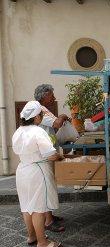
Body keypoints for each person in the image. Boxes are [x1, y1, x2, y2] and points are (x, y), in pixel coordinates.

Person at [12, 101, 62, 247]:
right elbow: (50, 154)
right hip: (36, 170)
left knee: (27, 206)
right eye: (41, 114)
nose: (42, 116)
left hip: (22, 170)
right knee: (38, 207)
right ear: (36, 117)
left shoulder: (18, 131)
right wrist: (59, 156)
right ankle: (42, 242)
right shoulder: (38, 131)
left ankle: (32, 236)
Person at [34, 84, 68, 232]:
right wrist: (63, 116)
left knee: (49, 184)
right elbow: (57, 122)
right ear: (44, 95)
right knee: (47, 186)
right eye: (51, 94)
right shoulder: (40, 110)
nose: (54, 97)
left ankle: (50, 216)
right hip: (44, 155)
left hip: (47, 152)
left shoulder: (44, 109)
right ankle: (48, 221)